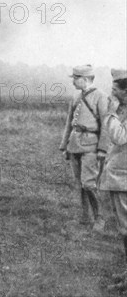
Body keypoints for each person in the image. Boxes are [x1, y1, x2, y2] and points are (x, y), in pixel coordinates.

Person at [59, 65, 111, 231]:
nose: (73, 81)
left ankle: (100, 218)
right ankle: (85, 216)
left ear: (86, 79)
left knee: (89, 184)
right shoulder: (75, 97)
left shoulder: (101, 97)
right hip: (75, 144)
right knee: (80, 183)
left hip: (91, 146)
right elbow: (69, 123)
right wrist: (64, 145)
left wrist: (102, 149)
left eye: (76, 78)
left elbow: (106, 125)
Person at [98, 68, 127, 291]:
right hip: (120, 178)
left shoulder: (119, 111)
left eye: (116, 90)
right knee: (123, 229)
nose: (112, 93)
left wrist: (110, 113)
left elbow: (118, 137)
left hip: (125, 179)